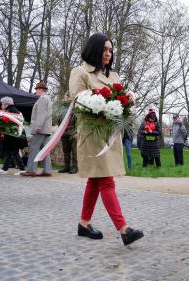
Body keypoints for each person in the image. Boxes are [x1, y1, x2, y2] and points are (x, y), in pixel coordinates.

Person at [69, 32, 143, 246]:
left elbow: (120, 103)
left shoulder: (114, 76)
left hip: (111, 134)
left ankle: (83, 224)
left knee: (95, 180)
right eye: (104, 49)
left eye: (111, 50)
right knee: (106, 180)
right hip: (93, 135)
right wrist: (102, 106)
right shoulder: (80, 72)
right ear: (94, 49)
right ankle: (124, 229)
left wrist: (125, 106)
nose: (108, 54)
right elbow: (78, 103)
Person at [21, 82, 53, 177]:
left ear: (41, 89)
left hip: (40, 128)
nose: (36, 91)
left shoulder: (42, 99)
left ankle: (31, 170)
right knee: (45, 150)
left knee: (34, 149)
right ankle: (47, 170)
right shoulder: (48, 99)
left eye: (37, 89)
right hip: (46, 129)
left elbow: (41, 114)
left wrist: (38, 126)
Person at [0, 97, 26, 175]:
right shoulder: (12, 110)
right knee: (10, 152)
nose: (1, 105)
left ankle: (22, 169)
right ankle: (5, 169)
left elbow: (9, 123)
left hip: (13, 136)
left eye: (2, 103)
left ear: (6, 104)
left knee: (14, 152)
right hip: (13, 135)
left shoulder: (11, 111)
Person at [56, 94, 78, 174]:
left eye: (68, 96)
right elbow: (58, 121)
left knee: (74, 151)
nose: (66, 98)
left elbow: (78, 120)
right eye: (65, 96)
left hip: (73, 132)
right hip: (64, 132)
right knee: (66, 151)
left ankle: (75, 167)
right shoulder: (61, 109)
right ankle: (67, 166)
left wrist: (76, 132)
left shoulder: (75, 107)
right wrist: (58, 117)